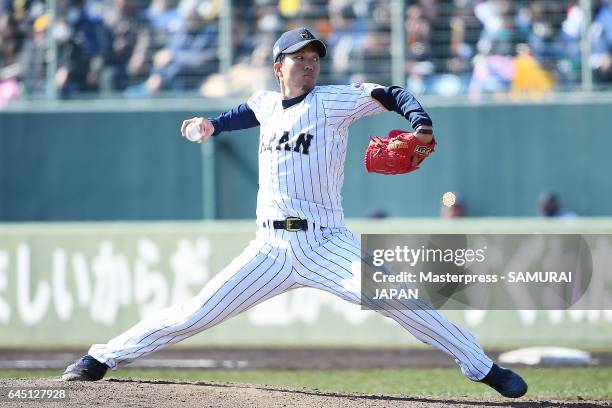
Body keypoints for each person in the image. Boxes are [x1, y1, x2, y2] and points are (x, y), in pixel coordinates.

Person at [62, 27, 527, 399]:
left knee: (400, 298)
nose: (309, 64)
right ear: (278, 66)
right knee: (195, 312)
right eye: (299, 57)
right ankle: (101, 358)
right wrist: (211, 125)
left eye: (314, 58)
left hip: (326, 242)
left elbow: (393, 93)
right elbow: (244, 113)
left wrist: (420, 125)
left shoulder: (332, 100)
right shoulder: (267, 103)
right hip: (269, 247)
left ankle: (483, 367)